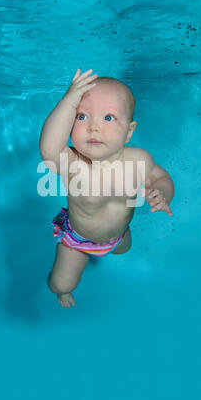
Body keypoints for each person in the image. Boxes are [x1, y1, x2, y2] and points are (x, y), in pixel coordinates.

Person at [39, 69, 175, 307]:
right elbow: (49, 149)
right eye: (81, 116)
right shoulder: (73, 163)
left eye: (108, 118)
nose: (93, 127)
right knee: (63, 283)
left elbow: (160, 178)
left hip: (119, 234)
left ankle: (112, 245)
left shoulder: (138, 160)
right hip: (79, 239)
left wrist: (161, 193)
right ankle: (60, 291)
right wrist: (69, 100)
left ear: (129, 131)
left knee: (123, 248)